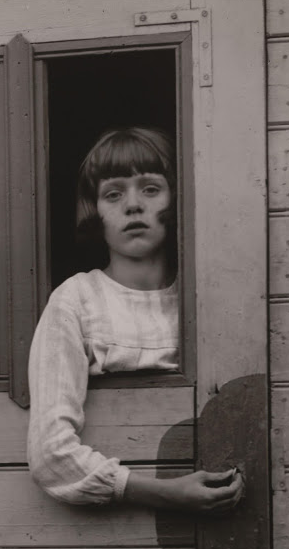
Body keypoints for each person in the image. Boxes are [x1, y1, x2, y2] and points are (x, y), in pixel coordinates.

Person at [27, 127, 243, 513]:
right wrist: (162, 492)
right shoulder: (75, 300)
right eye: (114, 193)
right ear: (95, 210)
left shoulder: (208, 295)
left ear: (176, 199)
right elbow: (49, 452)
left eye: (150, 188)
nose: (132, 205)